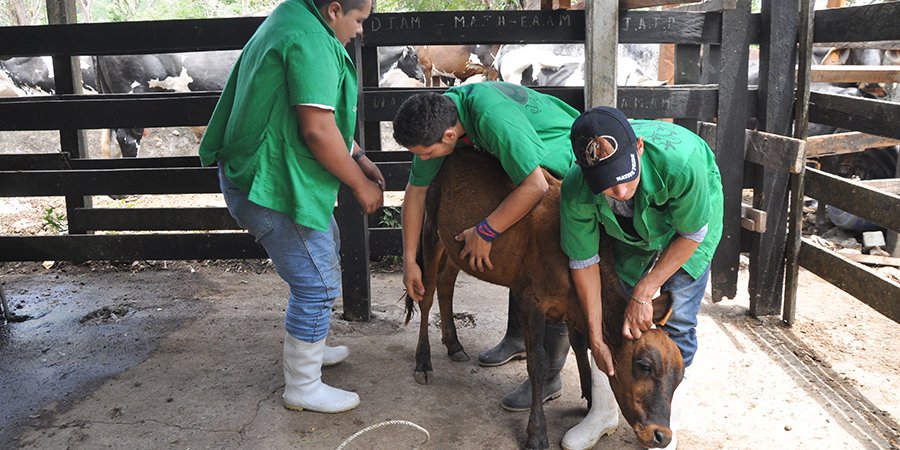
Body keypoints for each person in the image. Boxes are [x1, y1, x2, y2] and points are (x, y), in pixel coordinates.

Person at [198, 0, 384, 414]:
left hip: (258, 170)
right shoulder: (310, 41)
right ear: (334, 10)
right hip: (271, 184)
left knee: (324, 250)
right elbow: (317, 129)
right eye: (357, 21)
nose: (359, 32)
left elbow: (300, 107)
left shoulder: (291, 15)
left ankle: (310, 346)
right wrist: (359, 185)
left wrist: (355, 155)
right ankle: (302, 385)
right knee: (317, 283)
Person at [393, 81, 578, 411]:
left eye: (425, 153)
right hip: (524, 155)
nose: (422, 160)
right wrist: (409, 260)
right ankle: (518, 338)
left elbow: (535, 184)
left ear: (450, 137)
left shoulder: (491, 118)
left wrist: (487, 230)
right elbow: (416, 190)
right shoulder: (442, 116)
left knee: (554, 270)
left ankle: (549, 375)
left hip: (564, 162)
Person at [557, 106, 723, 450]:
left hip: (686, 230)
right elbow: (584, 262)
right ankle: (603, 413)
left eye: (625, 176)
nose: (618, 192)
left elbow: (692, 232)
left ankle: (664, 426)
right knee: (613, 318)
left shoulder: (683, 161)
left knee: (677, 319)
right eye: (605, 184)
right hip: (629, 233)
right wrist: (596, 337)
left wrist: (645, 291)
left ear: (640, 148)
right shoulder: (576, 191)